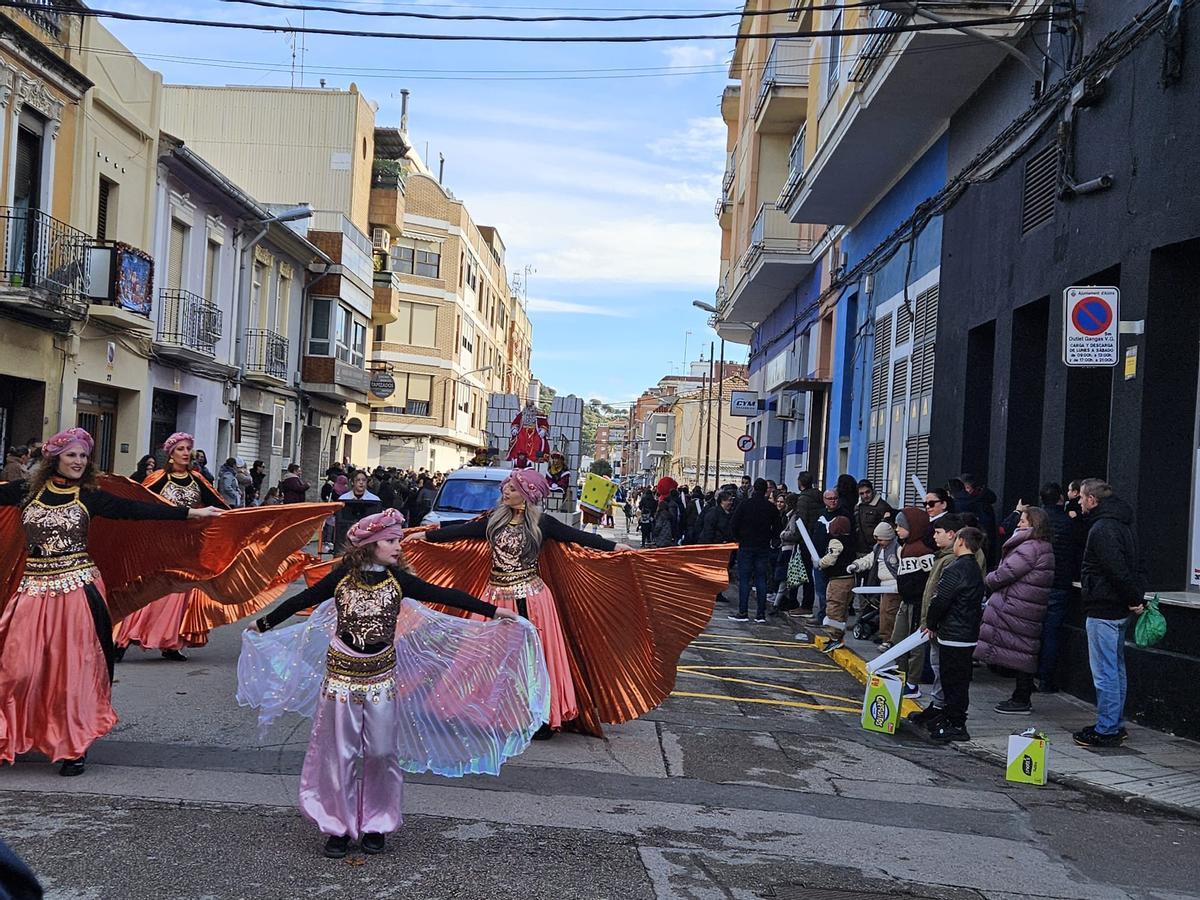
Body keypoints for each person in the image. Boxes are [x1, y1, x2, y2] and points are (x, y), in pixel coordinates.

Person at [241, 509, 540, 859]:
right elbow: (301, 601)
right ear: (370, 545)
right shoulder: (341, 578)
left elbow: (445, 594)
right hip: (341, 678)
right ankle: (338, 827)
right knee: (340, 755)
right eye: (391, 541)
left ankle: (376, 823)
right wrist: (262, 625)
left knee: (381, 753)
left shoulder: (399, 580)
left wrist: (494, 612)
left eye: (398, 540)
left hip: (381, 677)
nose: (398, 546)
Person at [0, 428, 222, 775]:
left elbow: (136, 510)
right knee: (17, 668)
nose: (78, 461)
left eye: (83, 456)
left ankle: (73, 744)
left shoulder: (90, 495)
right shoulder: (26, 491)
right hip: (33, 590)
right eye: (71, 454)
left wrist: (190, 515)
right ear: (55, 457)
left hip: (78, 590)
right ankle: (9, 736)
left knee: (73, 670)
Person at [407, 468, 634, 738]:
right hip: (495, 597)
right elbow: (461, 530)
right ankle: (481, 711)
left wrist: (613, 547)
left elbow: (579, 538)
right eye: (506, 487)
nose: (505, 491)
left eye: (512, 489)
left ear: (527, 495)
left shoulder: (543, 523)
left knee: (533, 657)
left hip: (533, 600)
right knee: (486, 656)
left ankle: (538, 715)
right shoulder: (493, 520)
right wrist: (426, 535)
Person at [115, 432, 230, 662]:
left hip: (187, 546)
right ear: (170, 454)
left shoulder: (197, 479)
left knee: (179, 595)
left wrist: (244, 519)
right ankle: (123, 639)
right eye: (181, 449)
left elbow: (220, 506)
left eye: (189, 449)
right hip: (160, 545)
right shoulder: (158, 478)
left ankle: (171, 643)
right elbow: (139, 504)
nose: (186, 453)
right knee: (150, 592)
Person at [1074, 479, 1146, 748]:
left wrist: (1133, 597)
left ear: (1093, 499)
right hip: (1117, 606)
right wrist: (1134, 597)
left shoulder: (1103, 527)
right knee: (1115, 669)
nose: (1078, 502)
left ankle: (1107, 729)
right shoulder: (1123, 524)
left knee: (1105, 672)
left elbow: (1115, 568)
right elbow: (1135, 565)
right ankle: (1113, 724)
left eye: (1081, 497)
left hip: (1105, 607)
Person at [978, 506, 1056, 715]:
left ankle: (1021, 698)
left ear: (1033, 524)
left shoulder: (1029, 547)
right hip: (1028, 605)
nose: (1018, 525)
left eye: (1022, 521)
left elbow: (1005, 573)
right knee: (1024, 649)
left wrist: (988, 579)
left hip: (1019, 605)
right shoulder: (1043, 546)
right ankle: (1022, 694)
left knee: (1022, 651)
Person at [922, 526, 986, 744]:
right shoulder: (974, 568)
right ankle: (949, 717)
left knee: (953, 680)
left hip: (954, 633)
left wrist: (931, 622)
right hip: (967, 632)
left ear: (960, 541)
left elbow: (941, 600)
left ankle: (956, 723)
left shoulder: (956, 569)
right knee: (957, 679)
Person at [1038, 482, 1081, 692]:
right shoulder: (1068, 522)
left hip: (1037, 583)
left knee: (1031, 632)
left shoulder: (1037, 521)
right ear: (1060, 498)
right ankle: (1047, 680)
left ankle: (1029, 678)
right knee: (1051, 633)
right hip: (1060, 583)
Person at [892, 507, 935, 698]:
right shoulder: (905, 548)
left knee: (915, 645)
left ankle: (912, 683)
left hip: (917, 603)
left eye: (901, 526)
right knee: (898, 639)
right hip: (906, 601)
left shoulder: (922, 551)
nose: (897, 529)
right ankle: (900, 675)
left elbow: (929, 579)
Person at [728, 478, 778, 623]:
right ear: (765, 490)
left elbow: (733, 523)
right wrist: (771, 539)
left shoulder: (745, 505)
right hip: (763, 546)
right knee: (761, 579)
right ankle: (760, 614)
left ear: (754, 488)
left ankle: (743, 611)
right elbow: (777, 528)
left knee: (744, 579)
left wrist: (737, 538)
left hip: (746, 545)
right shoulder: (770, 508)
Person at [848, 522, 901, 642]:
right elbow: (869, 559)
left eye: (881, 539)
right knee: (883, 613)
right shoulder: (878, 549)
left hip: (893, 587)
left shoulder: (897, 549)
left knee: (888, 614)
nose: (878, 542)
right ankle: (885, 637)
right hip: (882, 587)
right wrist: (856, 565)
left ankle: (887, 639)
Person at [817, 516, 856, 652]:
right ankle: (838, 636)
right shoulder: (851, 540)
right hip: (849, 579)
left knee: (834, 607)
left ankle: (835, 637)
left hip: (838, 579)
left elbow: (831, 559)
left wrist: (820, 563)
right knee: (842, 609)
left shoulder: (836, 541)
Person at [853, 479, 894, 554]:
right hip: (861, 549)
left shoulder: (882, 507)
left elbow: (889, 529)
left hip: (877, 549)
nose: (865, 496)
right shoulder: (858, 506)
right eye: (862, 493)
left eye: (867, 492)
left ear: (872, 490)